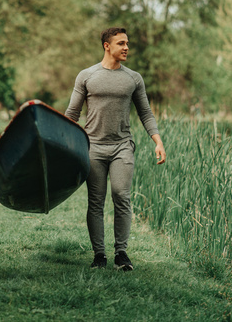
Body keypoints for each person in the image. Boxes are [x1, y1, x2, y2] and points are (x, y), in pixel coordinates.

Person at [65, 27, 166, 271]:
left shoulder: (133, 78)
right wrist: (63, 143)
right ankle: (99, 255)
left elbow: (145, 112)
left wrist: (158, 140)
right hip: (93, 147)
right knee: (96, 201)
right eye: (121, 43)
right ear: (106, 46)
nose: (126, 47)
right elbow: (72, 114)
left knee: (122, 195)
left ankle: (121, 253)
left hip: (122, 146)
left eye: (127, 43)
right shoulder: (87, 76)